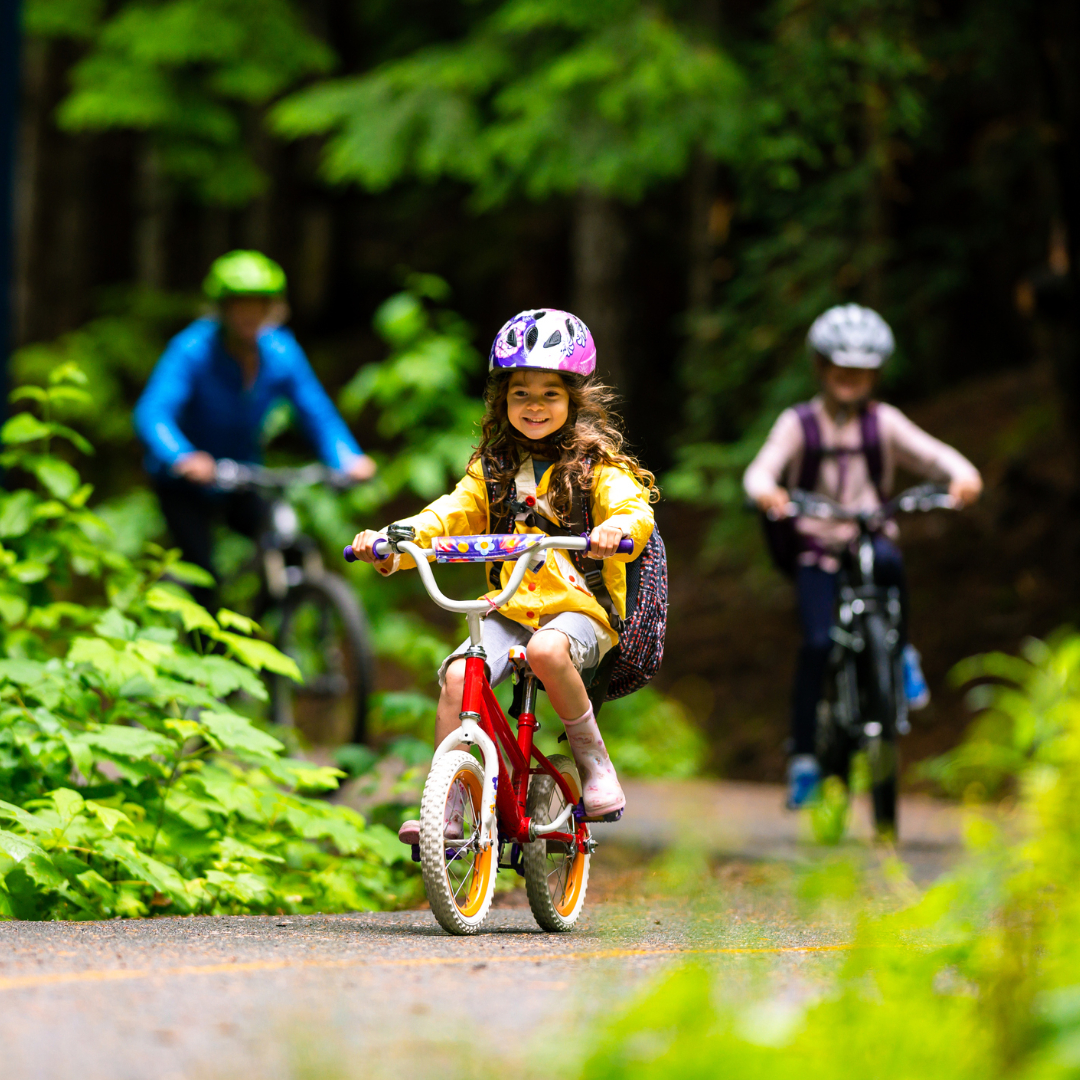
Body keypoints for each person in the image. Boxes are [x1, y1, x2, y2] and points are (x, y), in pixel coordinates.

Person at [349, 309, 657, 845]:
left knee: (547, 652)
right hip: (511, 606)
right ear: (501, 401)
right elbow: (444, 516)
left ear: (574, 400)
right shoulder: (490, 471)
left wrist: (617, 529)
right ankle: (447, 803)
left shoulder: (598, 468)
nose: (534, 407)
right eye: (520, 394)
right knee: (457, 675)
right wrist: (392, 541)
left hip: (579, 609)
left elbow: (634, 510)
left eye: (549, 395)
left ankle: (593, 761)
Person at [743, 304, 983, 810]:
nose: (850, 379)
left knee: (891, 565)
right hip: (816, 547)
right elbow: (760, 471)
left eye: (862, 370)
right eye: (840, 368)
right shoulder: (798, 423)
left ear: (875, 373)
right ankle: (805, 756)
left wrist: (962, 478)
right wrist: (769, 494)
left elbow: (935, 455)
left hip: (869, 539)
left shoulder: (884, 423)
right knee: (815, 643)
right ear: (822, 367)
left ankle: (903, 653)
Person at [133, 250, 376, 609]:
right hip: (185, 482)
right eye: (239, 304)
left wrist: (347, 457)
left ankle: (269, 635)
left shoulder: (281, 352)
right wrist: (181, 456)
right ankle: (209, 654)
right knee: (204, 577)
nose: (249, 313)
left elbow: (317, 412)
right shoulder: (191, 350)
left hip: (243, 476)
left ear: (271, 308)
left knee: (285, 547)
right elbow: (153, 413)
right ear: (222, 309)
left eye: (258, 304)